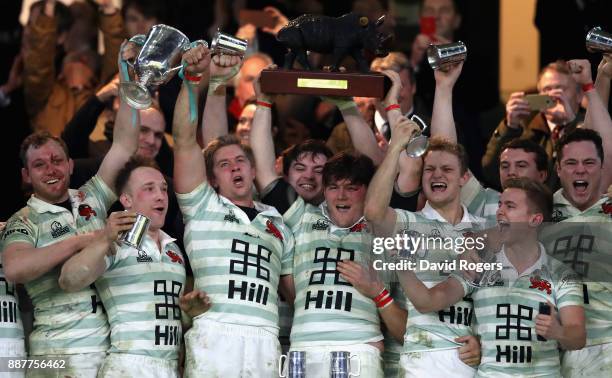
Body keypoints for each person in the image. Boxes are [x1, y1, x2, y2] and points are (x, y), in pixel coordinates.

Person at [173, 44, 294, 377]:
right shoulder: (201, 205)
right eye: (224, 165)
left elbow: (294, 294)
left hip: (266, 339)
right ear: (211, 178)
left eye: (241, 161)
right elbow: (184, 140)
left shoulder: (278, 222)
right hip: (216, 333)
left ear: (254, 170)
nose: (235, 168)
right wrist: (194, 79)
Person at [2, 96, 139, 376]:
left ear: (71, 165)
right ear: (26, 176)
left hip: (108, 348)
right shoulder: (23, 220)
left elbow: (124, 146)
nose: (51, 169)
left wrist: (130, 89)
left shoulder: (93, 197)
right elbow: (15, 269)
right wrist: (82, 240)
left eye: (57, 161)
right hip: (57, 353)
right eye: (39, 165)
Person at [398, 177, 586, 377]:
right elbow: (427, 302)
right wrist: (399, 264)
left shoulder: (562, 274)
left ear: (535, 220)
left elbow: (578, 336)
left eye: (510, 206)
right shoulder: (480, 265)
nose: (500, 211)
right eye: (500, 205)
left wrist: (559, 332)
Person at [57, 156, 203, 377]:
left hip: (170, 366)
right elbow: (68, 280)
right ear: (126, 199)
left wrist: (190, 314)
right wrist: (104, 238)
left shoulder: (174, 250)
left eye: (163, 189)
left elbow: (168, 316)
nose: (160, 195)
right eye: (149, 189)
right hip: (128, 365)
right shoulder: (117, 240)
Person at [364, 114, 483, 376]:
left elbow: (494, 302)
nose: (436, 175)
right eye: (429, 169)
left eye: (447, 169)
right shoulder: (408, 223)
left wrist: (483, 342)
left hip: (467, 367)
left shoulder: (482, 231)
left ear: (464, 178)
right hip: (419, 364)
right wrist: (396, 147)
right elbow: (373, 212)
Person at [283, 153, 397, 377]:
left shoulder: (384, 232)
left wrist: (398, 142)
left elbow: (406, 181)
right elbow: (266, 173)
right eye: (333, 187)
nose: (341, 196)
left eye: (352, 187)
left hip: (358, 348)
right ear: (324, 191)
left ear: (368, 191)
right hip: (302, 349)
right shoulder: (304, 218)